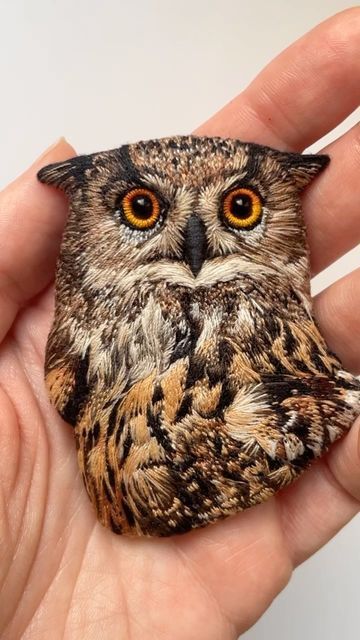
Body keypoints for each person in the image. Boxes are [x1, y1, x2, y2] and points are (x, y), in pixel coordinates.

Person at [0, 7, 359, 639]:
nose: (195, 242)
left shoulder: (288, 360)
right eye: (141, 208)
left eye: (241, 207)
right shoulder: (76, 348)